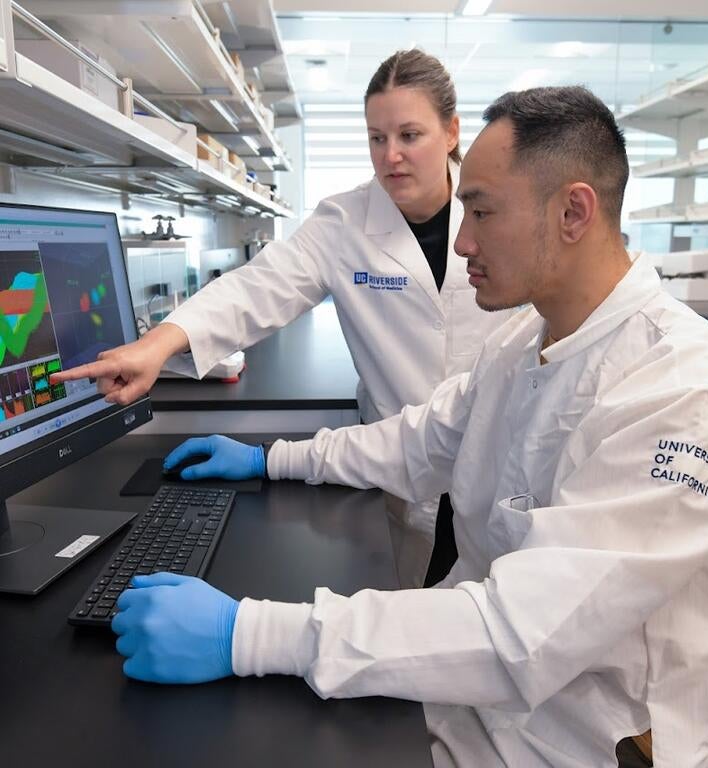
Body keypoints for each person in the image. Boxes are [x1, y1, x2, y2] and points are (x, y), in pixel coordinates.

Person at [107, 86, 708, 768]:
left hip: (585, 741)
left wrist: (250, 635)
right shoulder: (523, 342)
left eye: (480, 210)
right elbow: (419, 441)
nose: (463, 240)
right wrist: (271, 458)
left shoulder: (687, 394)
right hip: (475, 706)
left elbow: (520, 635)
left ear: (574, 211)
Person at [52, 49, 514, 588]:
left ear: (452, 132)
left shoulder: (500, 209)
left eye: (410, 136)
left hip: (497, 460)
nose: (391, 156)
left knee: (496, 615)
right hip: (396, 467)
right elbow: (258, 287)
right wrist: (156, 345)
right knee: (410, 612)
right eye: (376, 138)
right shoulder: (344, 221)